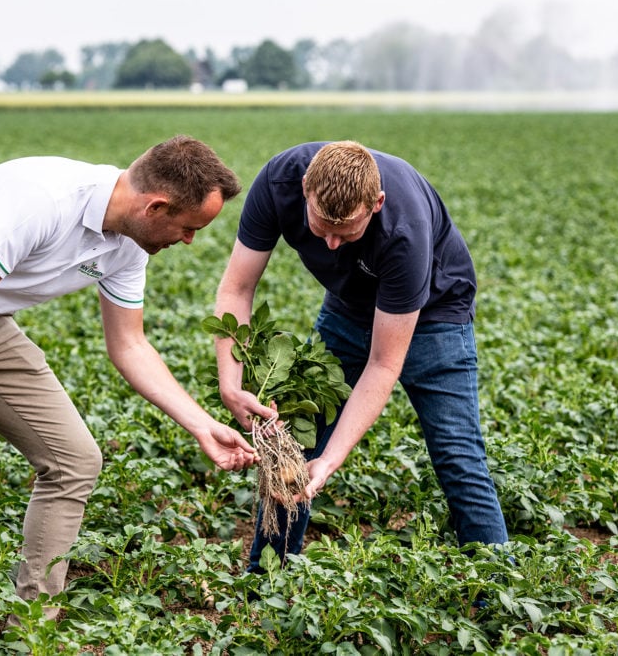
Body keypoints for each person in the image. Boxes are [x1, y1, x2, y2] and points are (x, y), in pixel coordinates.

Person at [0, 135, 258, 616]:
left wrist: (201, 424)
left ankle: (36, 620)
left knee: (75, 460)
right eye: (189, 228)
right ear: (157, 206)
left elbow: (129, 345)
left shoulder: (130, 244)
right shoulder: (44, 199)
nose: (188, 242)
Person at [213, 140, 508, 572]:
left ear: (377, 203)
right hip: (348, 308)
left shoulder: (404, 231)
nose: (332, 245)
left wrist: (329, 462)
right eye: (320, 228)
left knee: (457, 455)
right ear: (304, 190)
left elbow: (384, 364)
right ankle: (265, 582)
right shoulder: (278, 182)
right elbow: (236, 289)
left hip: (436, 314)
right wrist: (230, 383)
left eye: (346, 232)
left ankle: (498, 591)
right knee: (296, 444)